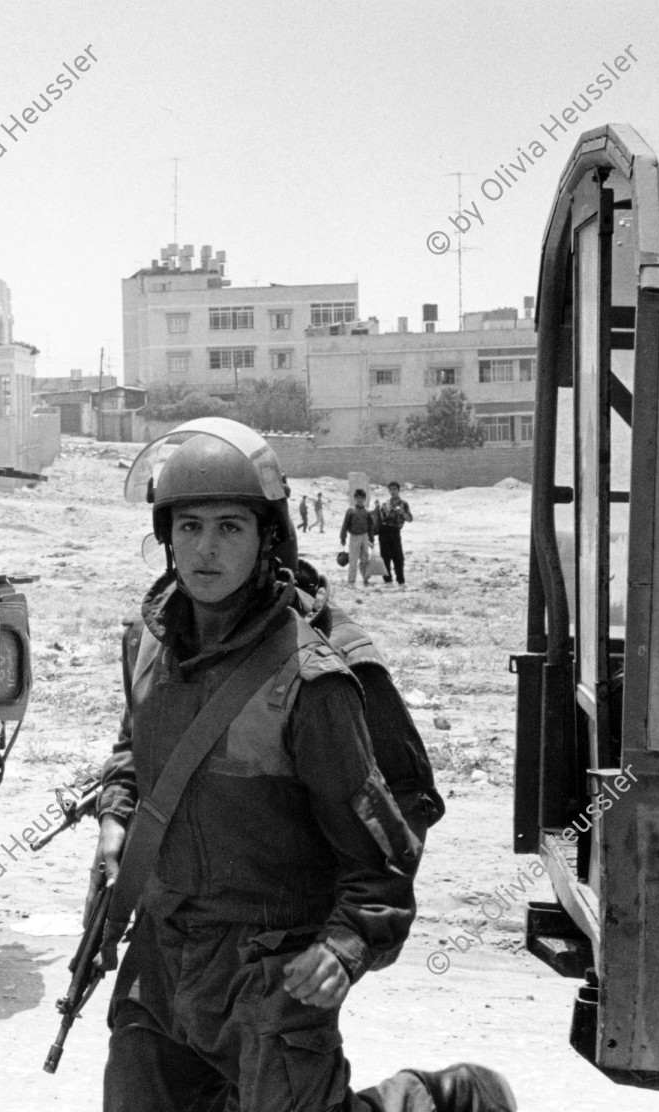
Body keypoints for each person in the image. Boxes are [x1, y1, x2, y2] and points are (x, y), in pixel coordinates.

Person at [92, 419, 512, 1111]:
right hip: (163, 954)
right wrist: (116, 822)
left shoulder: (309, 685)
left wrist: (347, 946)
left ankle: (445, 1101)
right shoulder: (147, 642)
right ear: (165, 535)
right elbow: (134, 756)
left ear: (267, 537)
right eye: (189, 526)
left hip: (269, 967)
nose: (205, 548)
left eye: (230, 527)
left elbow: (380, 855)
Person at [375, 481, 415, 586]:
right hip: (384, 531)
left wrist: (403, 513)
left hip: (395, 531)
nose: (392, 492)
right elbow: (380, 518)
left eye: (394, 489)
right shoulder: (386, 504)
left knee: (398, 557)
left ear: (398, 490)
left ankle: (401, 580)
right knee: (385, 557)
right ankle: (388, 580)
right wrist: (377, 508)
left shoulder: (404, 504)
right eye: (390, 489)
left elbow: (410, 519)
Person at [339, 488, 377, 587]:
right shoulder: (350, 511)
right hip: (354, 537)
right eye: (358, 498)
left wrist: (371, 540)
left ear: (365, 499)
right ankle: (351, 581)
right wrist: (343, 537)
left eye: (362, 498)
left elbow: (370, 528)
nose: (360, 500)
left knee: (364, 559)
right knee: (353, 560)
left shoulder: (367, 512)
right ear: (354, 498)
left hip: (365, 537)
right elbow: (345, 525)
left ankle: (365, 579)